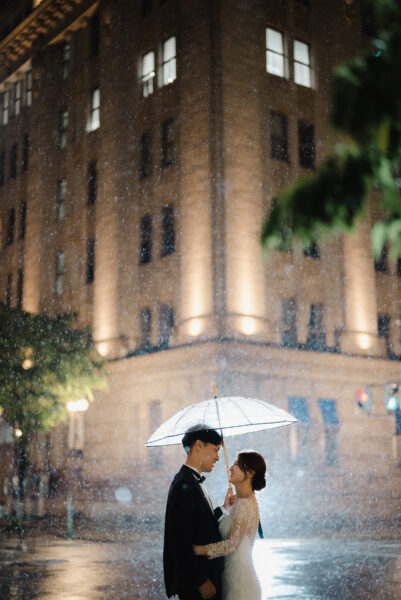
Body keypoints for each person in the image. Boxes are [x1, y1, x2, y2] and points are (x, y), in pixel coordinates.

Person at [164, 424, 233, 600]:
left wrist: (224, 508)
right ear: (198, 446)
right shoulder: (183, 485)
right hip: (197, 585)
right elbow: (179, 541)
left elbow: (201, 525)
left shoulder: (192, 482)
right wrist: (200, 582)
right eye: (215, 450)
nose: (218, 457)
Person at [193, 451, 267, 600]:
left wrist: (197, 550)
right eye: (233, 464)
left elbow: (232, 544)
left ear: (251, 473)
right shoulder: (241, 502)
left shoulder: (245, 504)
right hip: (232, 578)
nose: (231, 468)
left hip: (239, 584)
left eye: (237, 465)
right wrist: (225, 507)